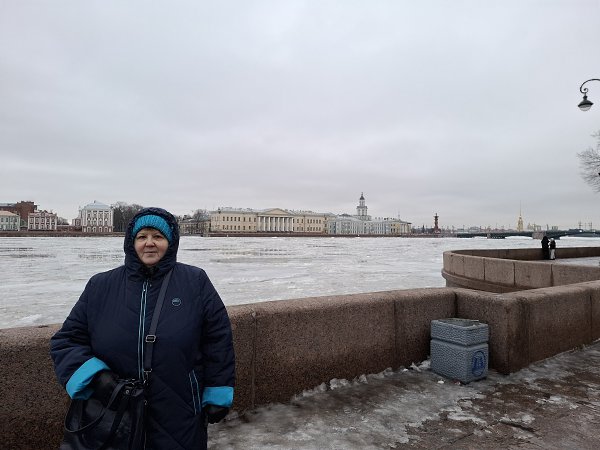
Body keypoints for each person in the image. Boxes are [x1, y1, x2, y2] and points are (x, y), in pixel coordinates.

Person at [51, 207, 235, 449]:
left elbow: (218, 340)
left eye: (158, 236)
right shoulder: (101, 285)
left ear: (170, 242)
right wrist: (97, 378)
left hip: (178, 410)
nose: (149, 243)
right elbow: (66, 341)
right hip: (114, 412)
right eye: (142, 237)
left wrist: (218, 391)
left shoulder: (195, 281)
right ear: (131, 242)